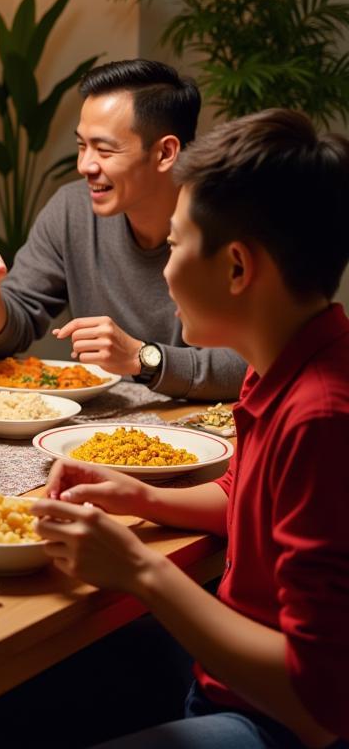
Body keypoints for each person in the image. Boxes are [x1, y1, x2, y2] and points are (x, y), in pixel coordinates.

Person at [28, 109, 349, 747]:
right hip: (220, 679)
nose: (165, 269)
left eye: (175, 245)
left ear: (236, 268)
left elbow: (319, 705)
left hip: (275, 721)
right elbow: (247, 499)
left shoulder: (323, 418)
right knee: (12, 688)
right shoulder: (282, 361)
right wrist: (139, 495)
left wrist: (142, 570)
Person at [0, 58, 245, 400]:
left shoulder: (228, 223)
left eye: (104, 150)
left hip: (209, 432)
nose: (84, 165)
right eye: (81, 145)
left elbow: (256, 363)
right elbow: (7, 336)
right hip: (102, 430)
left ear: (165, 152)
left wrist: (142, 357)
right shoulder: (71, 210)